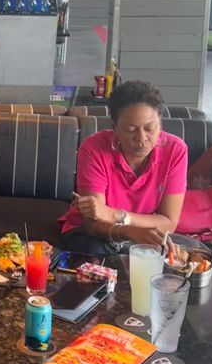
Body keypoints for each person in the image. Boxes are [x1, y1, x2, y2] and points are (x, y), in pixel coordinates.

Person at [58, 80, 187, 256]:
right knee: (97, 253)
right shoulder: (94, 149)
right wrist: (129, 231)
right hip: (96, 237)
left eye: (150, 128)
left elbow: (169, 223)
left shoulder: (175, 151)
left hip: (144, 234)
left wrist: (117, 216)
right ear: (115, 128)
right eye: (130, 129)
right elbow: (93, 223)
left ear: (161, 125)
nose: (141, 138)